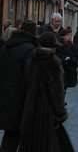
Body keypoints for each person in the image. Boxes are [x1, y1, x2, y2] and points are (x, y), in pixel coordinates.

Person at [18, 32, 71, 152]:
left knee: (31, 144)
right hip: (47, 112)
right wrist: (61, 113)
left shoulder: (31, 58)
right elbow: (56, 91)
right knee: (47, 144)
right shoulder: (53, 62)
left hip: (29, 107)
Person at [0, 21, 38, 152]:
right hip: (21, 99)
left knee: (10, 135)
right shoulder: (30, 49)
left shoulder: (6, 46)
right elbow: (30, 77)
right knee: (21, 136)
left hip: (6, 96)